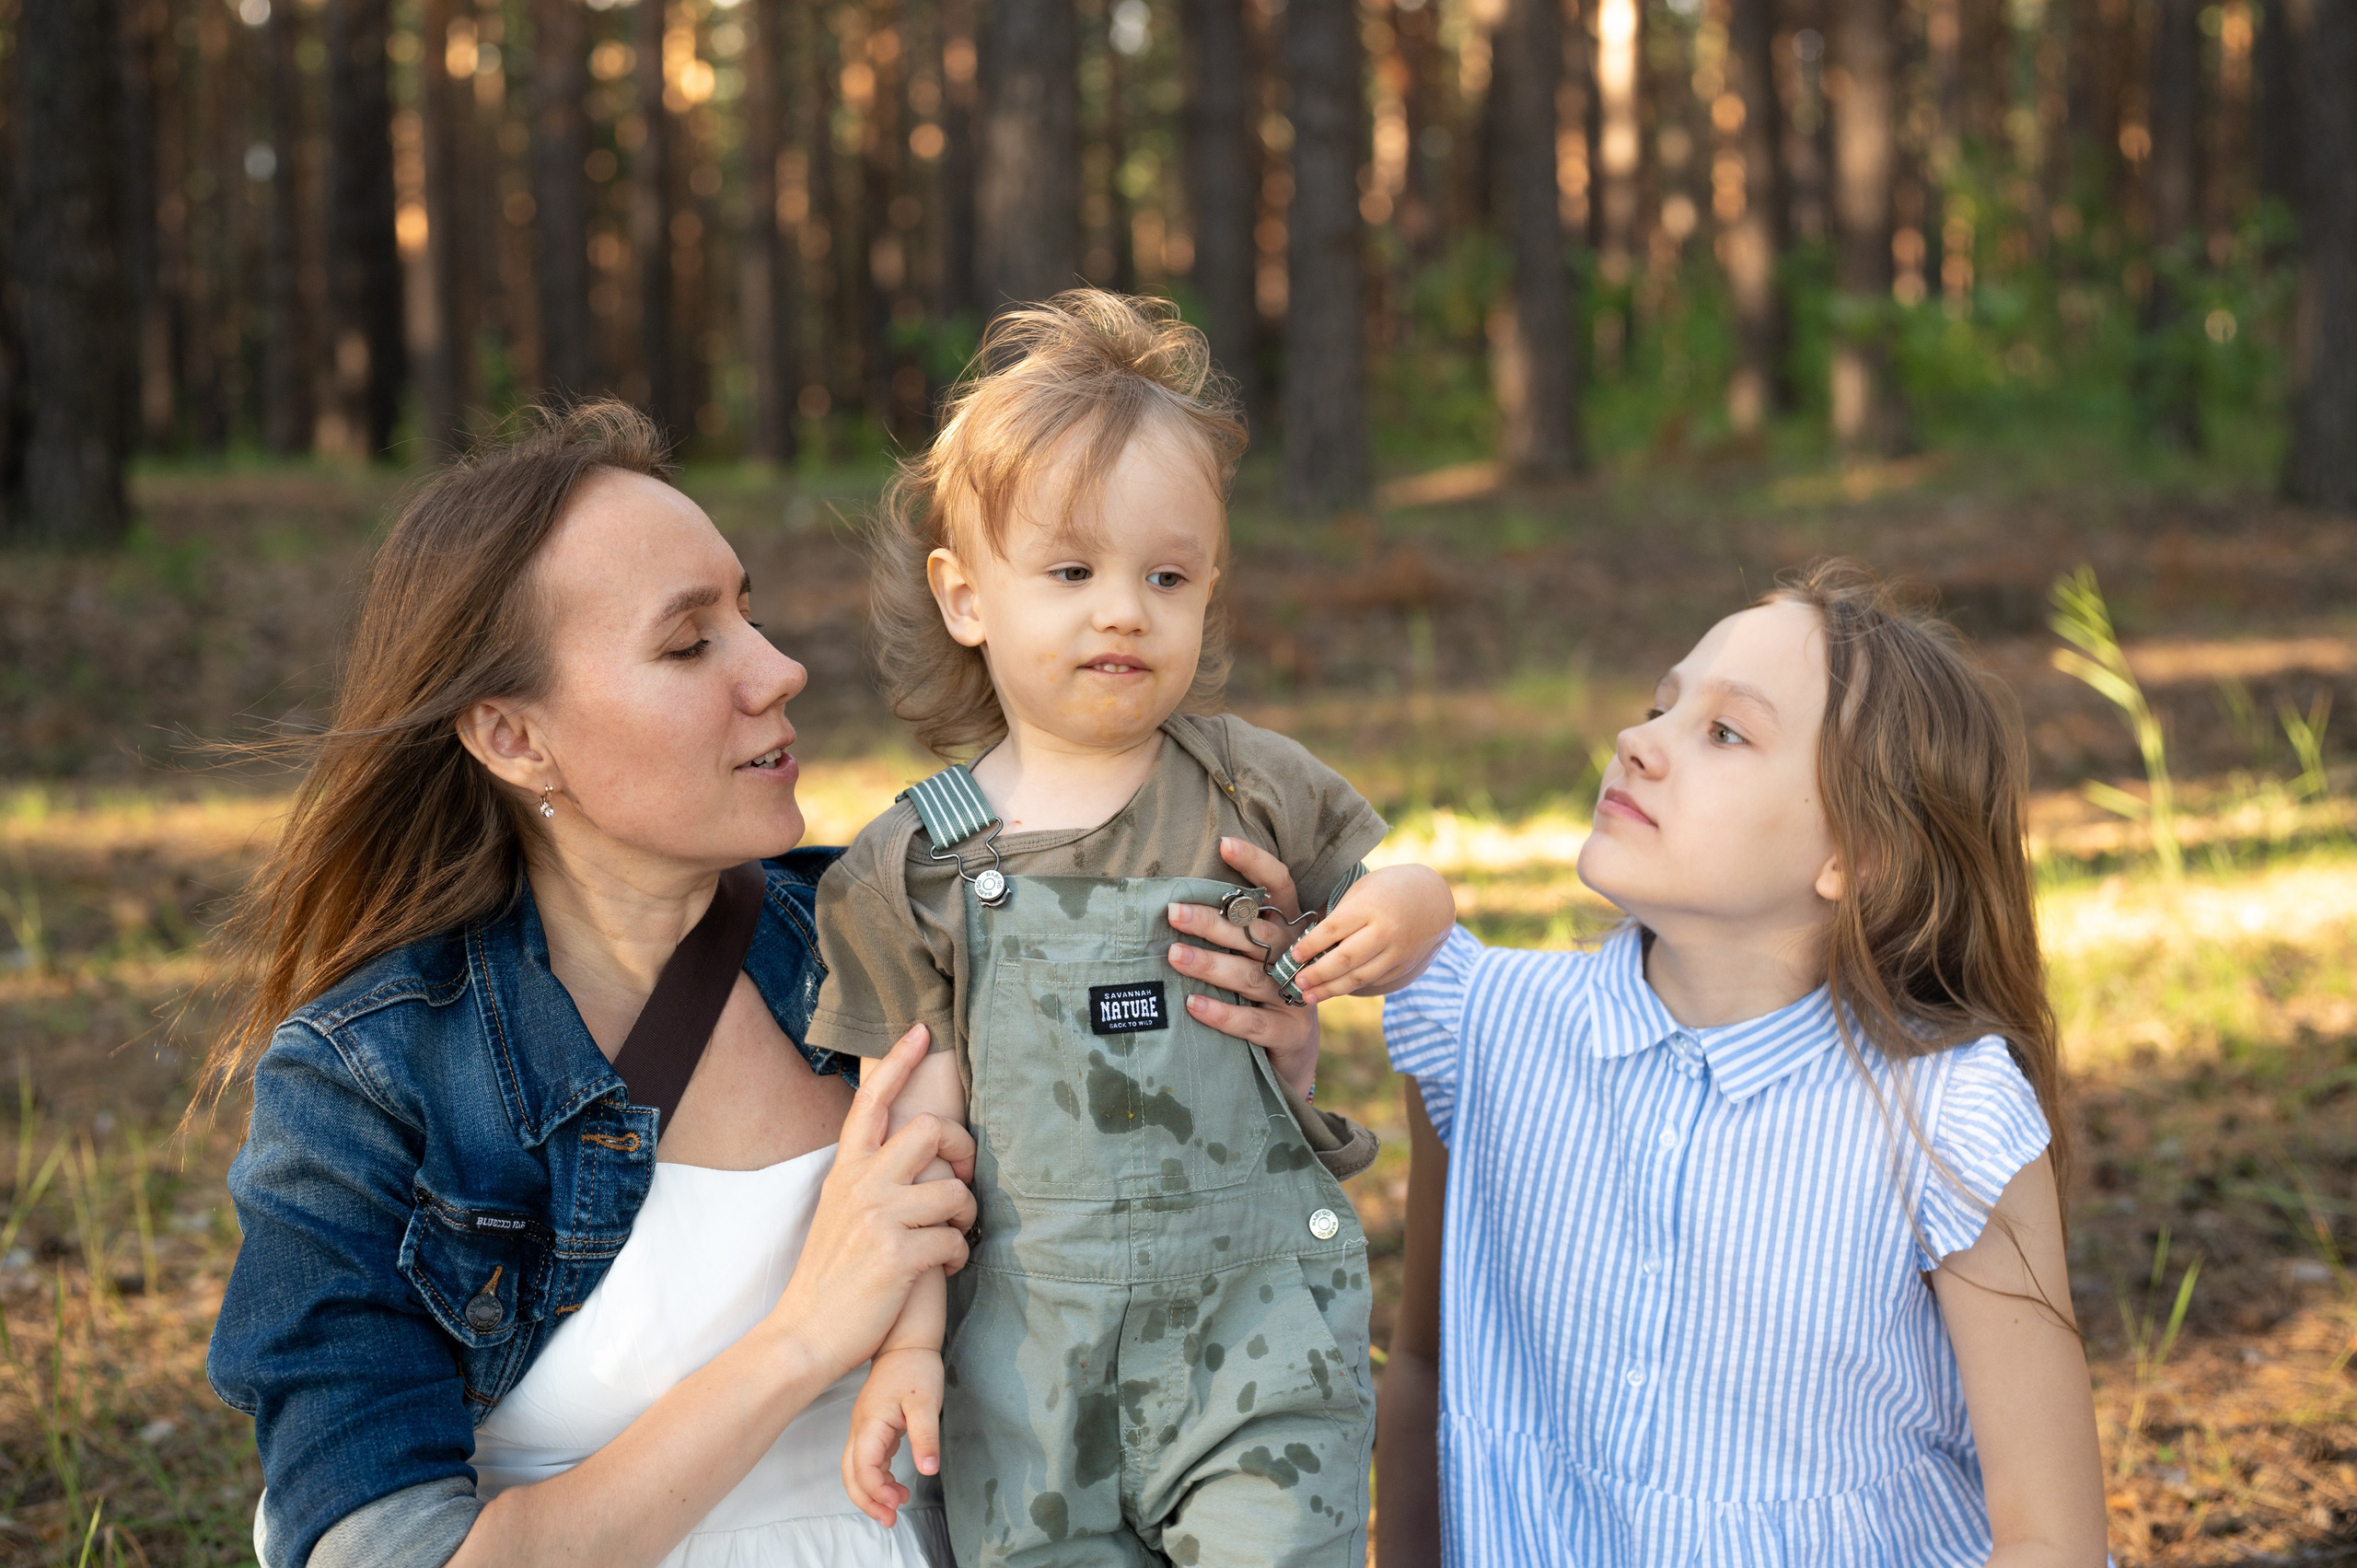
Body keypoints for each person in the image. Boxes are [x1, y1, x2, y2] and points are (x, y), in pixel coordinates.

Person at [198, 401, 1328, 1568]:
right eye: (690, 643)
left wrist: (1251, 1076)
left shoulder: (912, 928)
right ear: (514, 737)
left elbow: (1146, 1291)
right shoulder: (370, 1080)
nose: (779, 669)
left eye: (750, 612)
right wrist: (802, 1337)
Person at [802, 291, 1458, 1566]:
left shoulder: (1248, 786)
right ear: (964, 596)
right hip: (1029, 1378)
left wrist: (1406, 907)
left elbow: (1396, 885)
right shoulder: (918, 864)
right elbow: (918, 1140)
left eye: (1167, 576)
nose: (1123, 611)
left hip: (1251, 1343)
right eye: (1072, 572)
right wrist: (911, 1342)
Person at [1377, 561, 2110, 1567]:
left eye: (1724, 731)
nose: (1637, 741)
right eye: (1660, 706)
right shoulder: (1483, 1029)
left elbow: (2049, 1535)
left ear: (1859, 855)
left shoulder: (1946, 1110)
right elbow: (1425, 1365)